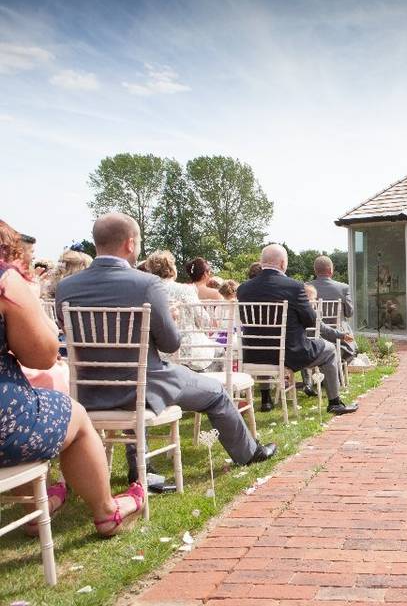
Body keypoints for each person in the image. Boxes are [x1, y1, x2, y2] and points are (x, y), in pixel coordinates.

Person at [56, 214, 276, 475]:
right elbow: (171, 343)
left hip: (89, 391)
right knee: (216, 393)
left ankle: (140, 469)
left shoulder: (66, 288)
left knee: (134, 379)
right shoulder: (147, 284)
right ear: (129, 243)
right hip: (145, 385)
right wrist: (168, 319)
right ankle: (249, 453)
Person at [0, 219, 145, 537]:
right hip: (5, 420)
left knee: (33, 400)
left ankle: (38, 507)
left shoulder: (66, 287)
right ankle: (107, 512)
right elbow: (41, 355)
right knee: (70, 415)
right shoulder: (5, 281)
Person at [237, 244, 357, 414]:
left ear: (262, 262)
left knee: (265, 342)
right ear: (282, 263)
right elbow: (310, 320)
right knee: (330, 350)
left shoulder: (243, 289)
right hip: (290, 353)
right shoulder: (293, 287)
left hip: (253, 354)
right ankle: (334, 402)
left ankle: (266, 399)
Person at [142, 250, 215, 370]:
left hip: (156, 356)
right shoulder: (186, 290)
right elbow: (205, 322)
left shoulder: (145, 292)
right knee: (219, 352)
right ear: (172, 268)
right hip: (190, 354)